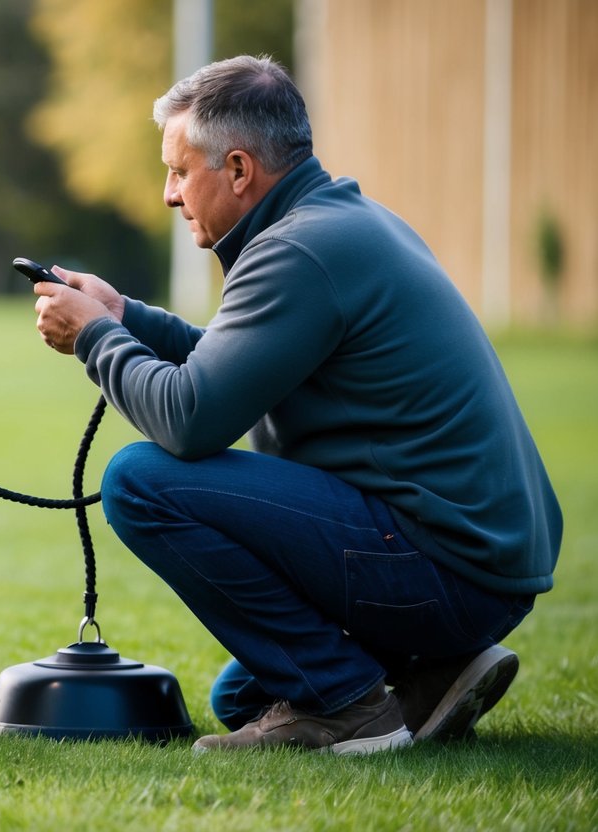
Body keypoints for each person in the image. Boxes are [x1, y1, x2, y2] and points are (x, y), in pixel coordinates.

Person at [32, 55, 562, 755]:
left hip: (447, 570)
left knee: (140, 481)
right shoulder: (336, 224)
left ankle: (353, 708)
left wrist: (95, 336)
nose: (168, 193)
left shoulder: (298, 251)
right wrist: (125, 314)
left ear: (240, 170)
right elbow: (238, 365)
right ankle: (431, 672)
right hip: (474, 565)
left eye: (178, 170)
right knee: (242, 696)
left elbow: (190, 419)